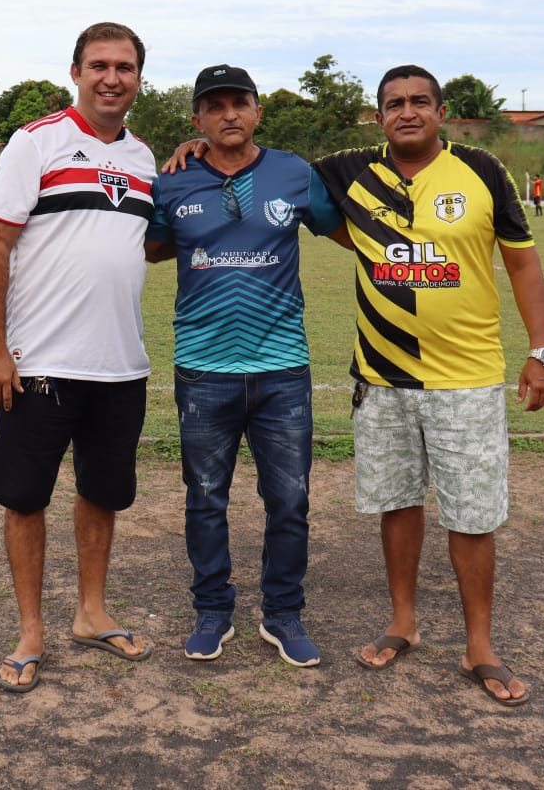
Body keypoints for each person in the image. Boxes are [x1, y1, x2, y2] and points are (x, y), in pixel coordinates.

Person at [312, 65, 544, 707]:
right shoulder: (347, 171)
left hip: (468, 380)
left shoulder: (481, 169)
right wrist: (193, 145)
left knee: (472, 516)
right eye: (395, 103)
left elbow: (523, 262)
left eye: (420, 101)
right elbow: (265, 167)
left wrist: (541, 351)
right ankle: (403, 622)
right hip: (383, 379)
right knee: (397, 504)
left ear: (440, 111)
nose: (407, 111)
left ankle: (480, 645)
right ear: (379, 114)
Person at [0, 21, 157, 693]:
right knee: (26, 499)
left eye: (126, 67)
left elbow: (146, 243)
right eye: (100, 64)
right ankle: (30, 631)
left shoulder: (144, 159)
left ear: (139, 78)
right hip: (40, 362)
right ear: (76, 71)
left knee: (101, 494)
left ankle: (91, 612)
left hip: (120, 365)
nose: (113, 77)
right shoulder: (36, 142)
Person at [145, 65, 343, 667]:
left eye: (240, 103)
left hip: (283, 368)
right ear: (197, 120)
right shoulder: (172, 183)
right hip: (203, 369)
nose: (229, 114)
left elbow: (346, 232)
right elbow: (151, 248)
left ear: (257, 112)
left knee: (290, 499)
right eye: (215, 106)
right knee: (205, 496)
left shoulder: (294, 173)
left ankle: (283, 614)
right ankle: (213, 609)